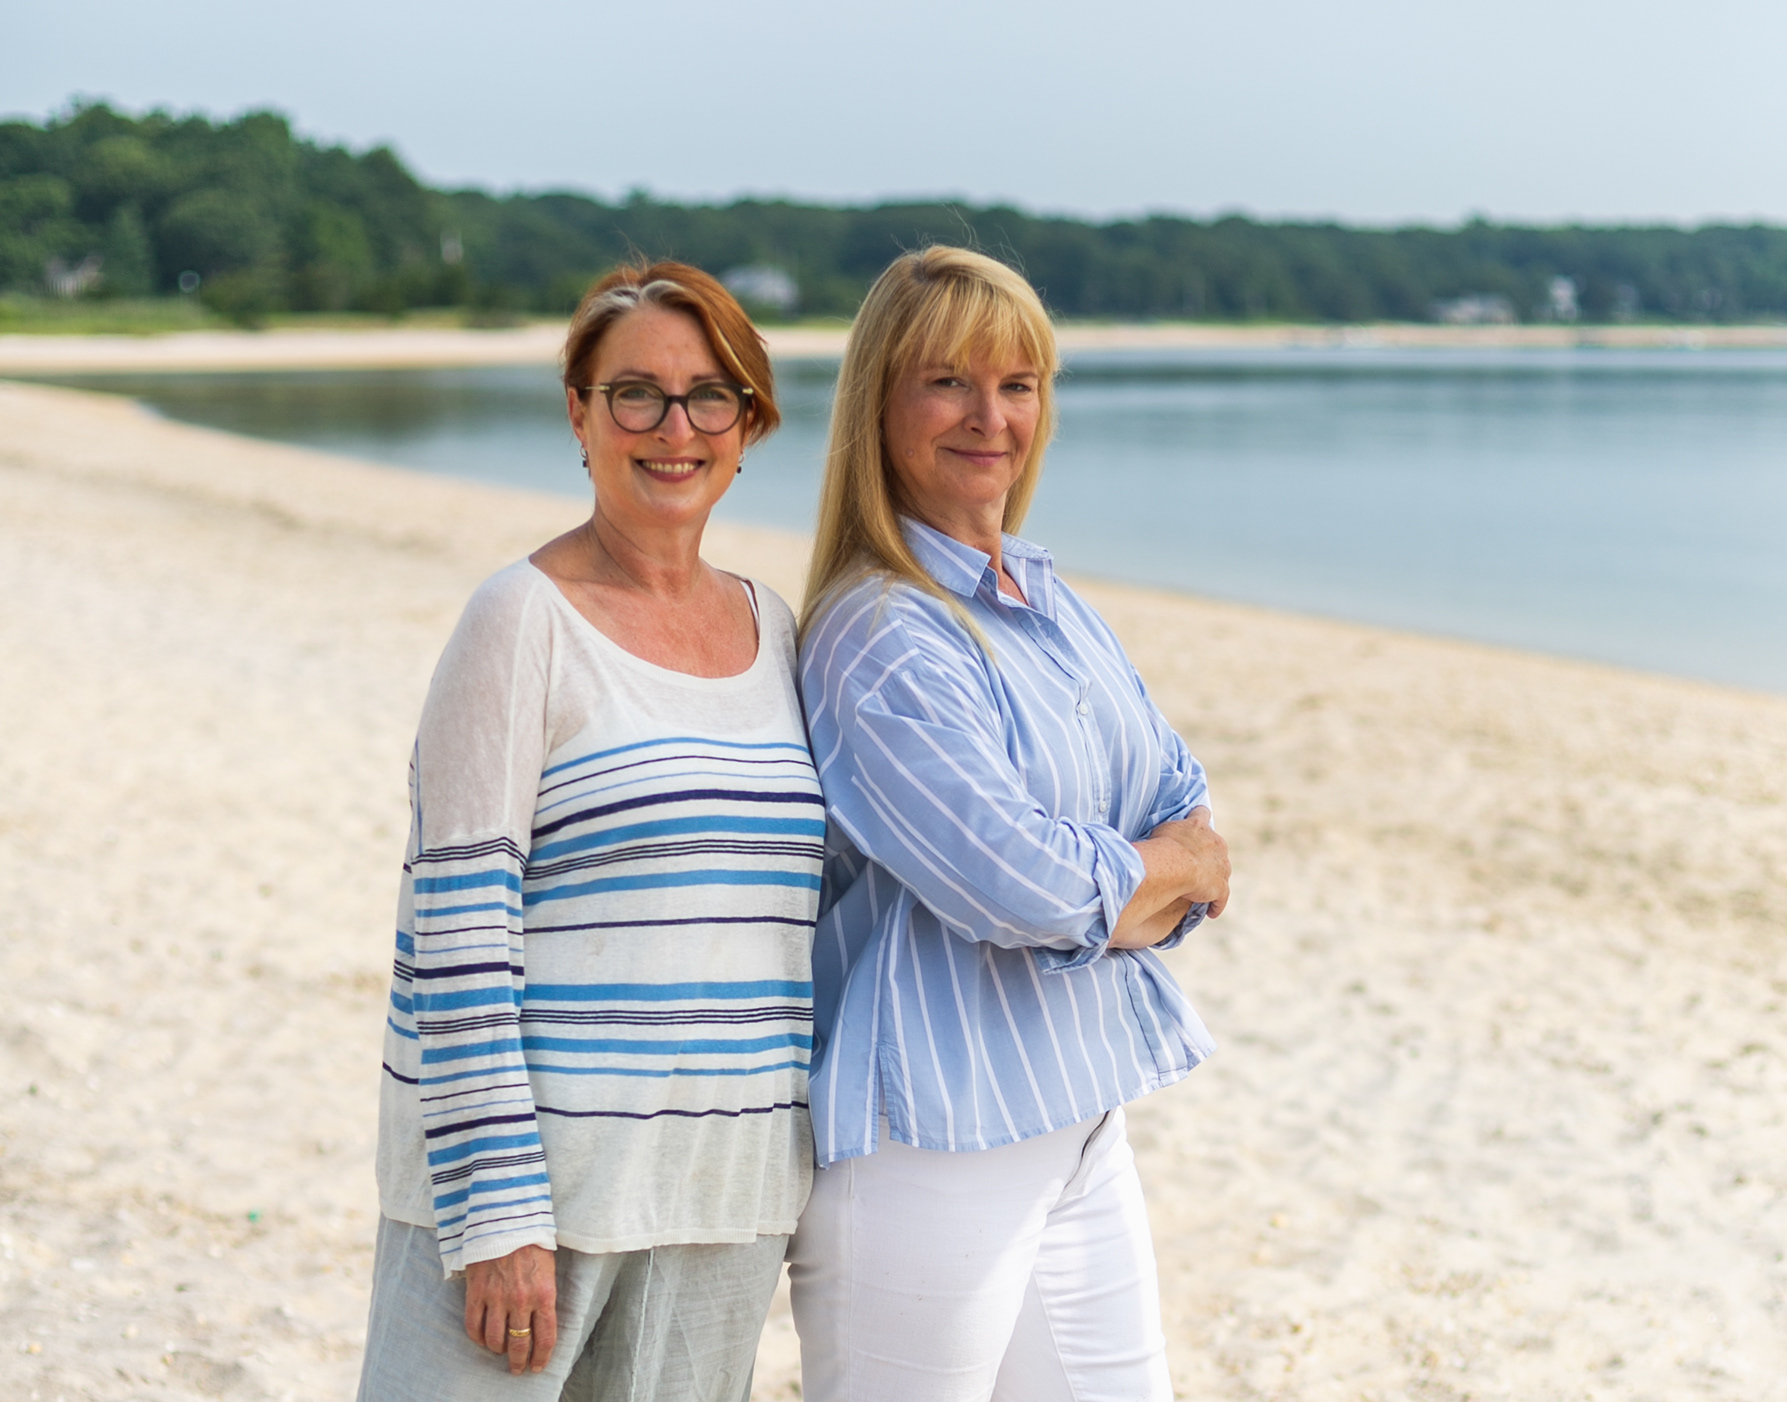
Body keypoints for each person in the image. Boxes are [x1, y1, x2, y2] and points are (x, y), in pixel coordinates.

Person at [358, 262, 825, 1401]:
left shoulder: (776, 630)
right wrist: (498, 1216)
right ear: (580, 412)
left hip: (725, 1197)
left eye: (709, 396)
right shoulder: (520, 621)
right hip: (537, 1202)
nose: (675, 428)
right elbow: (458, 934)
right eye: (637, 394)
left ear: (750, 422)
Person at [787, 246, 1231, 1402]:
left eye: (1018, 384)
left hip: (1078, 1113)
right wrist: (1155, 877)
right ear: (879, 404)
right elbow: (1024, 886)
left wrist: (1144, 874)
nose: (991, 417)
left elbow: (1185, 794)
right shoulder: (881, 634)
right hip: (932, 1149)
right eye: (948, 382)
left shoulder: (1045, 597)